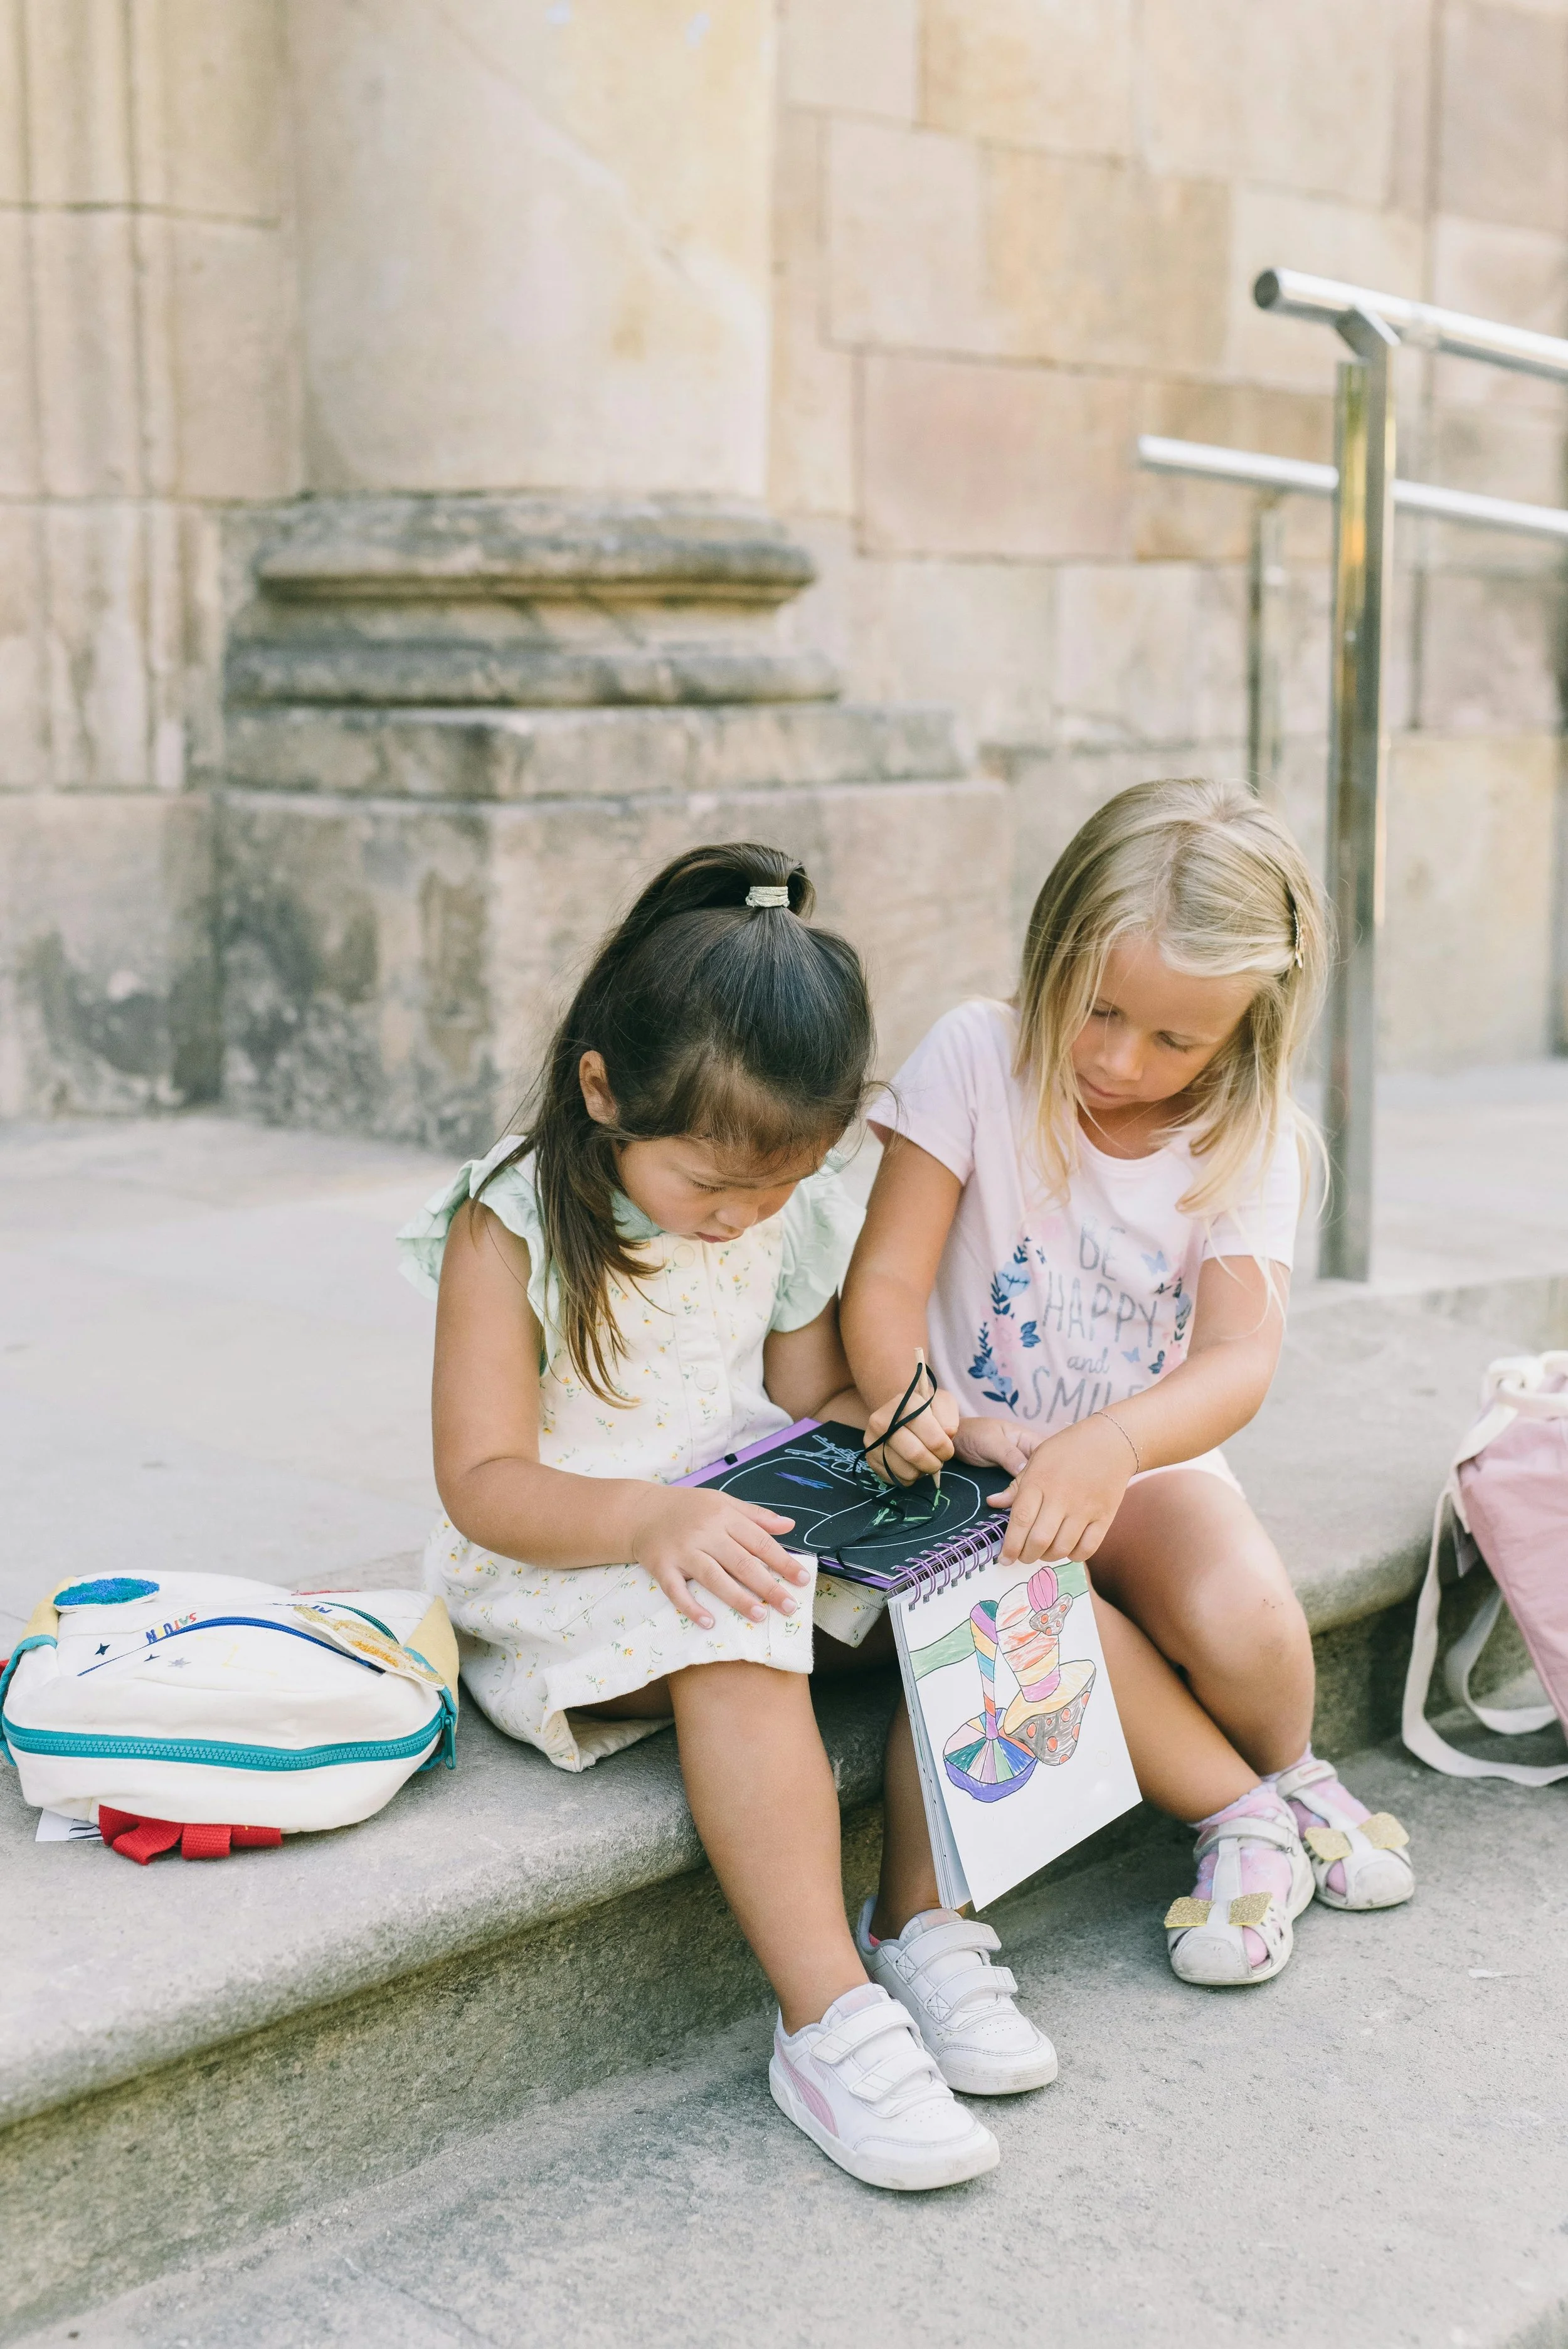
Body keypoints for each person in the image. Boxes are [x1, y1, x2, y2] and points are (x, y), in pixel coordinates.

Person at [840, 778, 1414, 1994]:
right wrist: (903, 1400)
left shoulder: (1247, 1134)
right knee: (1036, 1613)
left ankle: (1284, 1772)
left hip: (1141, 1455)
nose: (1113, 1059)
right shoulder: (973, 1057)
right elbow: (881, 1283)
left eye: (1172, 1040)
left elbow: (1235, 1361)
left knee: (1244, 1617)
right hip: (974, 1464)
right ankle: (1235, 1819)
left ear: (1249, 1022)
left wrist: (1107, 1449)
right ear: (1049, 950)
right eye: (1095, 1010)